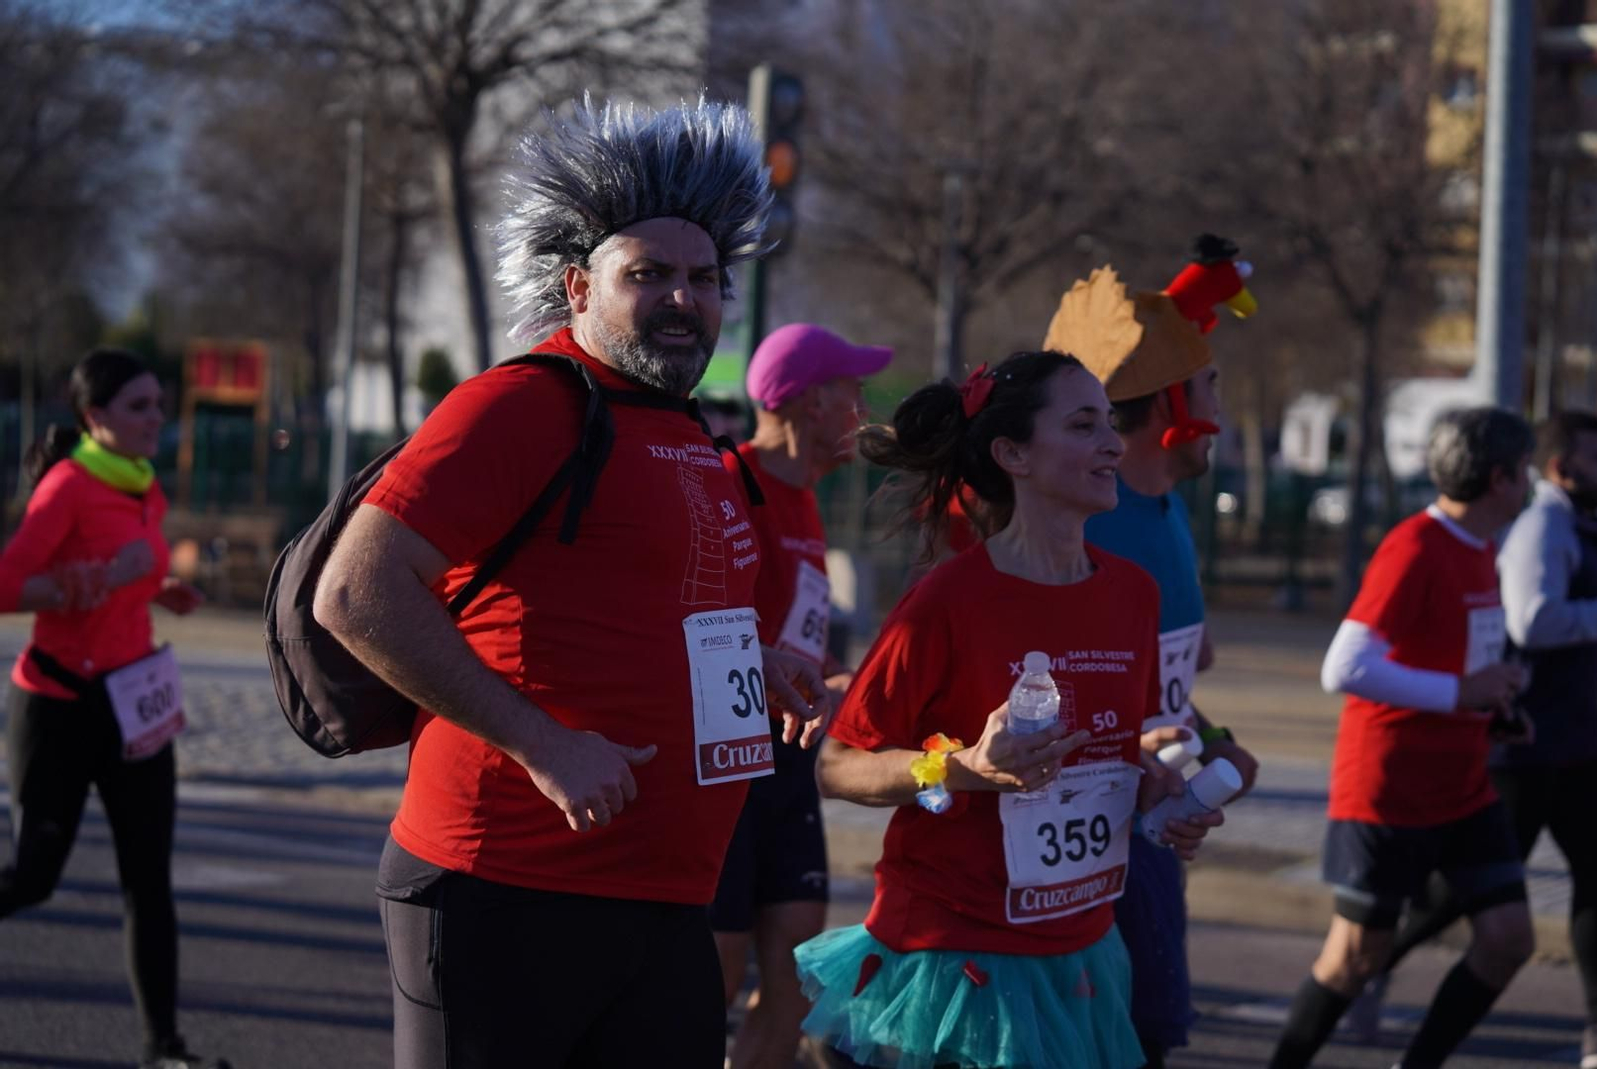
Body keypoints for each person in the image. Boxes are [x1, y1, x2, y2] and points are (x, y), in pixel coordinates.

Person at [312, 98, 827, 1068]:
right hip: (502, 883)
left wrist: (756, 659)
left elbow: (633, 601)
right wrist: (541, 743)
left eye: (704, 277)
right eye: (649, 276)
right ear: (577, 285)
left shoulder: (681, 430)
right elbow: (355, 590)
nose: (683, 298)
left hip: (666, 902)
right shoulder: (521, 405)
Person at [794, 350, 1223, 1069]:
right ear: (1012, 453)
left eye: (1110, 425)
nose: (1113, 444)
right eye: (1084, 425)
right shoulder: (947, 601)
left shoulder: (1132, 593)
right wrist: (960, 768)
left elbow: (1122, 750)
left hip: (1081, 947)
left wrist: (1162, 787)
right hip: (956, 950)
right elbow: (838, 767)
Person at [1043, 241, 1261, 1068]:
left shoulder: (1165, 512)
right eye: (1211, 387)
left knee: (1147, 1040)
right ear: (1172, 401)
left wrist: (1209, 736)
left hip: (1146, 830)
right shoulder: (1098, 518)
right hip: (1073, 848)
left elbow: (1150, 686)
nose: (1222, 408)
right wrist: (1137, 751)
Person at [1269, 407, 1536, 1069]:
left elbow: (1454, 660)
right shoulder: (1415, 545)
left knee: (1508, 938)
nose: (1529, 482)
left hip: (1463, 783)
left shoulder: (1484, 549)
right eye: (1525, 470)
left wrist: (1494, 707)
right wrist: (1459, 693)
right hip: (1387, 790)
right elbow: (1346, 666)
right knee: (1355, 957)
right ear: (1500, 479)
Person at [1346, 409, 1597, 1065]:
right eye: (1596, 458)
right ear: (1557, 468)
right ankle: (1365, 966)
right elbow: (1531, 618)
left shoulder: (1570, 524)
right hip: (1518, 746)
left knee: (1587, 878)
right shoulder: (1537, 525)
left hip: (1570, 739)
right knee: (1463, 896)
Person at [0, 348, 216, 1069]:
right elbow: (8, 584)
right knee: (33, 878)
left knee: (148, 883)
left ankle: (165, 1050)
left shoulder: (141, 484)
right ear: (96, 417)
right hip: (58, 705)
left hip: (133, 706)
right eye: (140, 407)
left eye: (159, 404)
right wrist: (71, 586)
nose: (158, 418)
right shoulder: (66, 486)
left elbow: (134, 564)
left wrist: (158, 591)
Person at [709, 323, 891, 1068]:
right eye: (849, 389)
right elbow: (703, 631)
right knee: (707, 984)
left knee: (796, 977)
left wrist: (833, 680)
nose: (861, 403)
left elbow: (797, 635)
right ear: (810, 402)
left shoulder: (808, 501)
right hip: (721, 770)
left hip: (788, 769)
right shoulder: (730, 481)